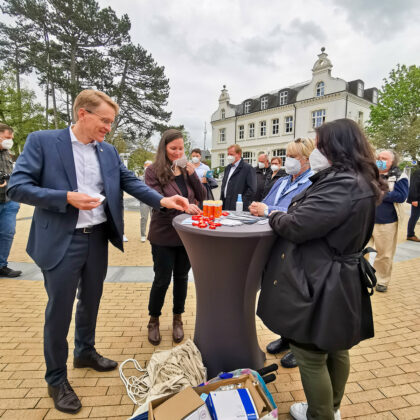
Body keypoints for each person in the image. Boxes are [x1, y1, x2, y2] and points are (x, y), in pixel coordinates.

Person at [7, 90, 188, 415]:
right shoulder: (42, 141)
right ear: (82, 114)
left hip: (96, 240)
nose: (108, 127)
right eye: (104, 121)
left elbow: (130, 181)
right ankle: (56, 378)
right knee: (59, 310)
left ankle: (85, 352)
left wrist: (163, 201)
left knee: (91, 300)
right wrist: (65, 197)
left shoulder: (108, 151)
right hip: (62, 239)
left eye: (110, 122)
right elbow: (17, 186)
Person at [257, 119, 387, 420]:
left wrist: (274, 216)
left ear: (336, 146)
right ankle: (332, 408)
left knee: (310, 353)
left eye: (319, 144)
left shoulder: (343, 183)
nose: (316, 149)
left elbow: (298, 225)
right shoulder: (358, 178)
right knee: (336, 347)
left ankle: (320, 414)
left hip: (321, 277)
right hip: (339, 275)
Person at [250, 138, 315, 370]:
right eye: (286, 155)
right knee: (279, 293)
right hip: (275, 243)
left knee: (295, 295)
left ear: (307, 158)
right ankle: (287, 337)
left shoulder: (312, 183)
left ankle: (300, 346)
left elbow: (299, 213)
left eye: (292, 156)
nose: (287, 160)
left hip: (296, 246)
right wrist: (258, 207)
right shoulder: (284, 180)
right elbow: (266, 203)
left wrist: (267, 210)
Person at [145, 129, 206, 347]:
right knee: (162, 278)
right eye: (173, 148)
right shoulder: (153, 171)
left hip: (186, 234)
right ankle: (154, 319)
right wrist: (182, 207)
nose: (178, 152)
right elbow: (155, 200)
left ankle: (177, 318)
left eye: (181, 148)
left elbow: (202, 196)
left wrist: (193, 174)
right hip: (164, 234)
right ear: (164, 149)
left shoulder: (185, 170)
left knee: (181, 278)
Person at [368, 150, 408, 292]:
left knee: (384, 254)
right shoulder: (370, 173)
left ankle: (382, 281)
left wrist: (380, 192)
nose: (380, 160)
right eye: (378, 157)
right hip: (366, 219)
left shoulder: (399, 176)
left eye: (384, 158)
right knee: (360, 250)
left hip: (386, 222)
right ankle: (360, 276)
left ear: (392, 162)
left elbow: (401, 196)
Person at [0, 123, 22, 278]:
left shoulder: (7, 153)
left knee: (7, 233)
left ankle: (2, 265)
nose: (10, 141)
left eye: (11, 138)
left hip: (9, 201)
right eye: (7, 137)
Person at [220, 144, 256, 210]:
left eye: (231, 154)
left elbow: (252, 189)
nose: (229, 156)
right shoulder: (228, 168)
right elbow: (224, 185)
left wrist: (241, 202)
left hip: (238, 206)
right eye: (228, 154)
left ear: (239, 154)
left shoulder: (248, 168)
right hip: (225, 204)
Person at [139, 160, 153, 242]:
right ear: (144, 166)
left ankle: (151, 234)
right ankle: (143, 235)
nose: (148, 168)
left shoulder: (155, 177)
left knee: (153, 218)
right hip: (144, 200)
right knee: (144, 218)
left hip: (153, 201)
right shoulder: (141, 178)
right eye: (146, 166)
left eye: (149, 166)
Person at [407, 163, 420, 242]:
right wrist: (414, 200)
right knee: (414, 217)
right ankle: (410, 235)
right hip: (417, 200)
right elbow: (413, 187)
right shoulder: (417, 172)